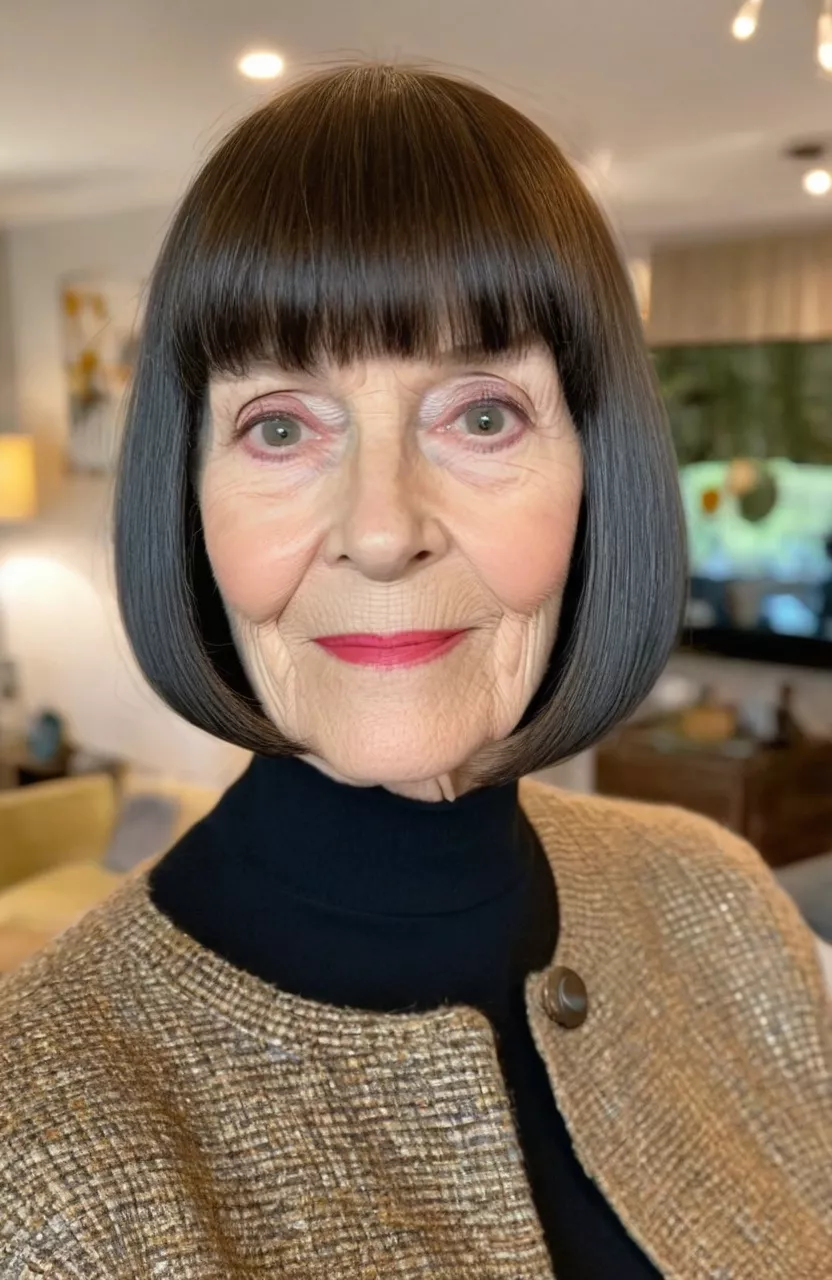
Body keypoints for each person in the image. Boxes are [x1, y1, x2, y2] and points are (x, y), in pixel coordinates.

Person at [0, 65, 829, 1279]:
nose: (382, 528)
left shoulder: (729, 906)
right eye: (279, 424)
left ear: (598, 472)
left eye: (481, 415)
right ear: (186, 500)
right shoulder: (36, 1135)